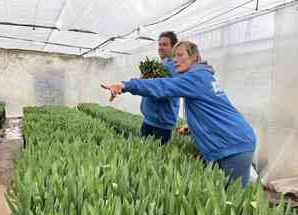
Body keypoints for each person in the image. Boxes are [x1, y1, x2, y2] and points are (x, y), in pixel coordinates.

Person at [102, 41, 257, 187]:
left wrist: (125, 85)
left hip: (233, 145)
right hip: (235, 140)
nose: (175, 60)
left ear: (194, 57)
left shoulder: (196, 78)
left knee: (232, 200)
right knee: (224, 194)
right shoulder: (204, 76)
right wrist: (191, 128)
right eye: (174, 56)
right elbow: (215, 110)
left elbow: (162, 85)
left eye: (180, 55)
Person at [138, 31, 180, 145]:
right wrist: (144, 80)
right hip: (148, 120)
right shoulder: (159, 65)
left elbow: (164, 92)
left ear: (174, 47)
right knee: (141, 155)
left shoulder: (176, 68)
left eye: (165, 45)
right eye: (159, 44)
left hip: (162, 124)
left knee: (154, 158)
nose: (161, 47)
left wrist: (147, 84)